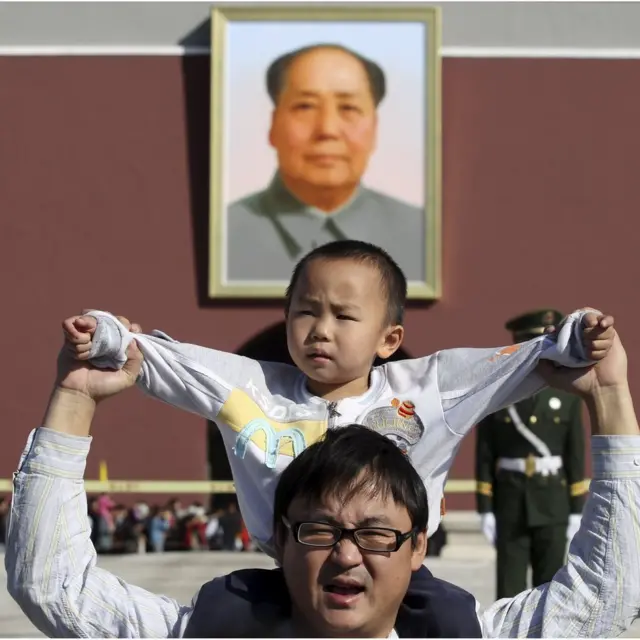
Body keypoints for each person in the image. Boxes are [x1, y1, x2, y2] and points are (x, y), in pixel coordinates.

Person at [5, 321, 640, 638]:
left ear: (419, 547)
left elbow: (607, 601)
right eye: (318, 529)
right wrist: (74, 400)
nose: (345, 555)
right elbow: (54, 588)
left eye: (375, 534)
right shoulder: (215, 631)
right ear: (277, 540)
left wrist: (610, 402)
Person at [63, 241, 611, 601]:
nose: (321, 329)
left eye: (345, 316)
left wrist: (577, 337)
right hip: (286, 582)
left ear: (389, 339)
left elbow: (521, 360)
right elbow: (167, 358)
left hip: (403, 586)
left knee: (455, 621)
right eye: (306, 311)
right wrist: (107, 336)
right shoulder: (250, 390)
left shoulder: (429, 390)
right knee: (218, 614)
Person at [226, 44, 426, 283]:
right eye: (305, 106)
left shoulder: (423, 234)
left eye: (349, 108)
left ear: (375, 129)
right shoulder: (224, 234)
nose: (327, 129)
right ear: (273, 125)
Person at [476, 309, 589, 599]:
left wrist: (577, 508)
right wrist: (485, 508)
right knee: (509, 588)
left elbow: (575, 456)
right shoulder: (498, 396)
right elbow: (486, 455)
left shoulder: (567, 397)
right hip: (510, 502)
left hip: (553, 502)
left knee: (550, 586)